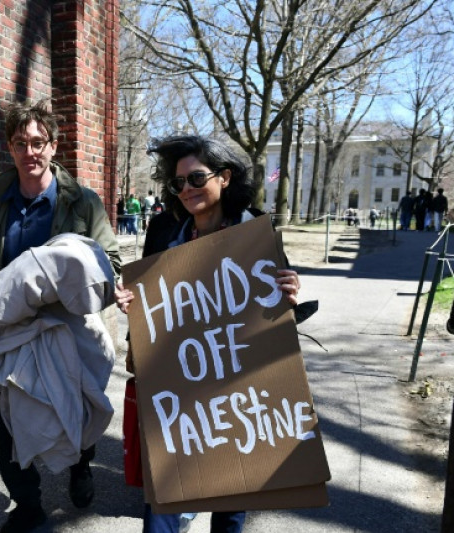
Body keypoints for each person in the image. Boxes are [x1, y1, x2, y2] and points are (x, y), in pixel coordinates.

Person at [113, 135, 301, 533]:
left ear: (225, 177)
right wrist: (133, 305)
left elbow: (276, 314)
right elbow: (152, 303)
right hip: (178, 390)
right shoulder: (164, 229)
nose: (187, 189)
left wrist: (289, 294)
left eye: (197, 178)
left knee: (231, 506)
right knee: (164, 505)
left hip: (240, 392)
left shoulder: (256, 233)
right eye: (179, 182)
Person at [0, 99, 121, 533]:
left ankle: (81, 465)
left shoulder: (82, 203)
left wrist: (84, 279)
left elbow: (111, 262)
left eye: (38, 142)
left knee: (79, 405)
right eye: (20, 143)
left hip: (68, 328)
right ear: (10, 148)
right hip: (10, 329)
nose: (30, 151)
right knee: (7, 418)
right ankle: (28, 504)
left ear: (53, 146)